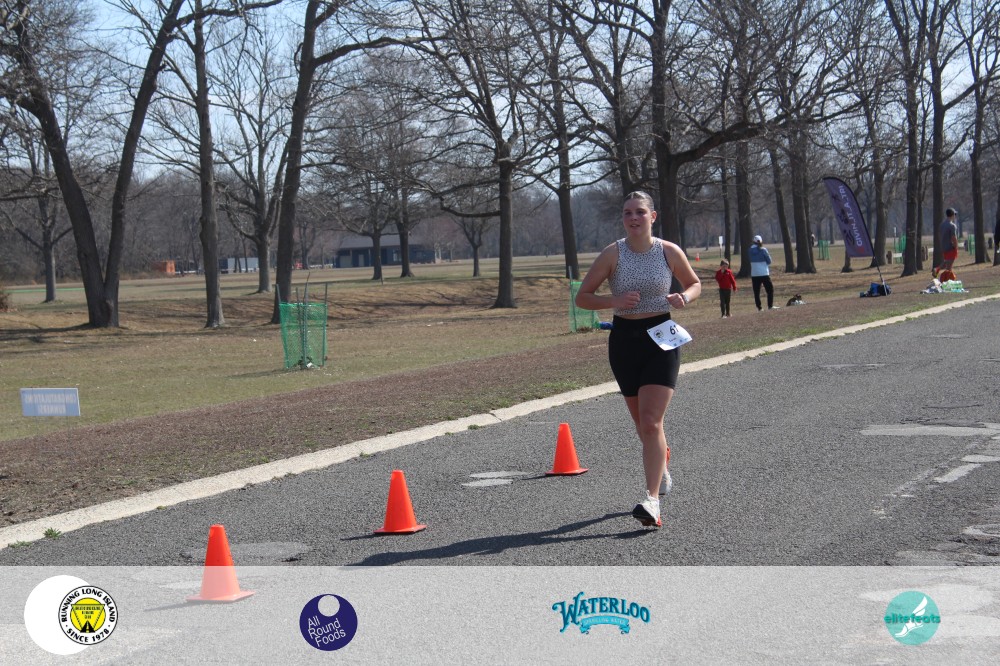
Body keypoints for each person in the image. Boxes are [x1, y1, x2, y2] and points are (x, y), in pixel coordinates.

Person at [574, 191, 702, 528]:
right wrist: (613, 300)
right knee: (641, 425)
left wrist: (684, 297)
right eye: (627, 213)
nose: (633, 218)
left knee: (651, 421)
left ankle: (651, 501)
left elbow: (694, 283)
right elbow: (582, 297)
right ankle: (662, 465)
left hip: (661, 337)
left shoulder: (668, 251)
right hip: (624, 340)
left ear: (652, 216)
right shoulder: (612, 253)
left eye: (640, 212)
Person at [749, 234, 776, 310]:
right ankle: (770, 306)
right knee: (770, 290)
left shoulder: (749, 250)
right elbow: (769, 261)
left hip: (754, 273)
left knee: (756, 292)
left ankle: (759, 308)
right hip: (764, 273)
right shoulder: (763, 250)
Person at [938, 208, 959, 274]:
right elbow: (953, 237)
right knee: (949, 267)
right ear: (952, 215)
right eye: (955, 214)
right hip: (951, 247)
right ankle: (947, 278)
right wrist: (956, 247)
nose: (955, 216)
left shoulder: (942, 225)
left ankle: (937, 270)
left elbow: (940, 236)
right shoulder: (952, 226)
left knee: (947, 261)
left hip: (944, 247)